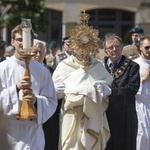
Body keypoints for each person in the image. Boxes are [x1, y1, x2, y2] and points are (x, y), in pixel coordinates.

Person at [53, 11, 113, 150]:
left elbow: (108, 84)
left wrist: (104, 89)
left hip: (94, 115)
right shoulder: (64, 66)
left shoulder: (98, 66)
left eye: (86, 47)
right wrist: (60, 90)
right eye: (80, 48)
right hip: (72, 116)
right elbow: (56, 91)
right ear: (74, 46)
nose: (83, 52)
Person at [0, 24, 57, 150]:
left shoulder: (42, 71)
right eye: (20, 39)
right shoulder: (2, 68)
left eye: (27, 40)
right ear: (13, 42)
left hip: (33, 135)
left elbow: (51, 101)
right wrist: (16, 89)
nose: (22, 43)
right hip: (9, 134)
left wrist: (36, 101)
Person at [103, 33, 140, 150]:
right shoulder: (99, 67)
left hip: (125, 115)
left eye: (117, 46)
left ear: (122, 47)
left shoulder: (132, 66)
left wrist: (111, 92)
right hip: (105, 114)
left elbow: (132, 88)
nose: (114, 49)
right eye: (111, 47)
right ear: (105, 50)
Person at [134, 36, 150, 150]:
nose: (149, 50)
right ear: (140, 47)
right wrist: (144, 78)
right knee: (142, 136)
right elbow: (130, 85)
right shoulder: (134, 64)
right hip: (141, 104)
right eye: (147, 47)